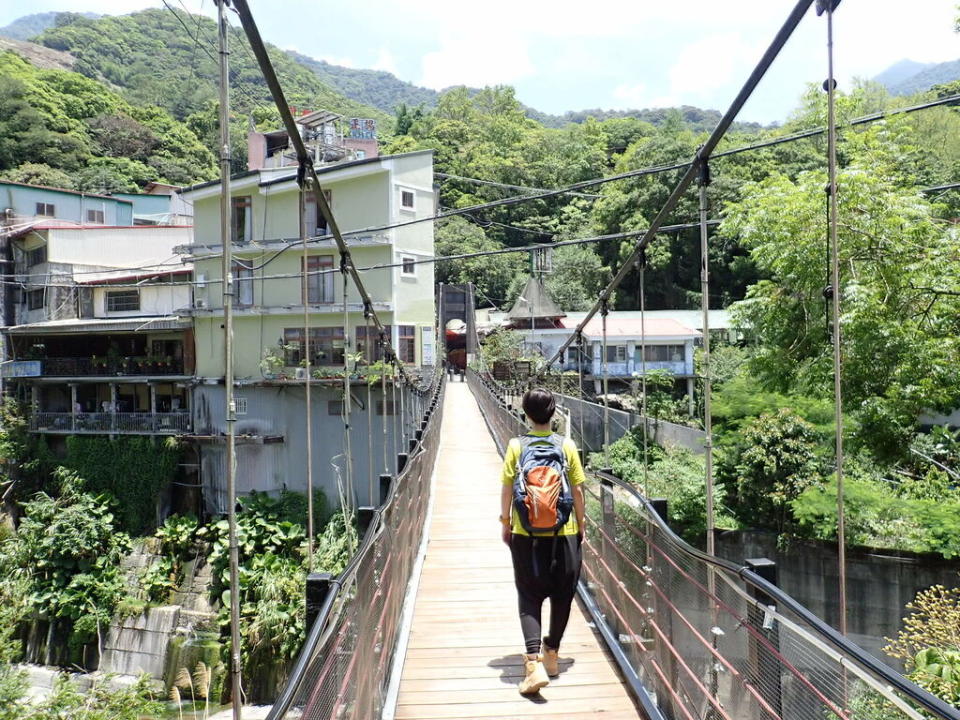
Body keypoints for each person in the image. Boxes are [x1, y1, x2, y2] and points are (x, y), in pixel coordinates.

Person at [499, 387, 586, 695]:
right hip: (564, 532)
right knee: (563, 593)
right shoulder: (567, 446)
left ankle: (533, 664)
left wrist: (506, 523)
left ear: (526, 413)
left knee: (529, 594)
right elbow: (577, 491)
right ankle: (552, 654)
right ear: (553, 413)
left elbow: (508, 489)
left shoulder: (515, 446)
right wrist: (581, 524)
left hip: (526, 533)